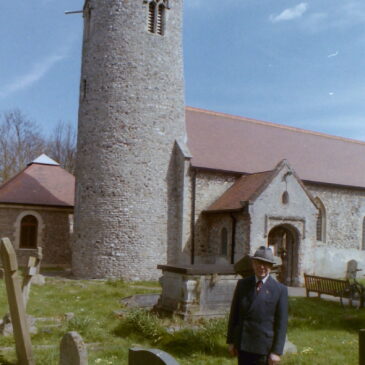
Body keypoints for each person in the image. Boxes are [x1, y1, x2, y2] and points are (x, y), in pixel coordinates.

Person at [227, 246, 288, 365]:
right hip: (243, 345)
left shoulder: (279, 290)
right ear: (253, 264)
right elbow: (234, 315)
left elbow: (281, 324)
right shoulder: (242, 284)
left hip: (264, 348)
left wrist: (276, 352)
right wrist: (231, 341)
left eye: (265, 264)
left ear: (271, 266)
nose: (261, 267)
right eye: (258, 262)